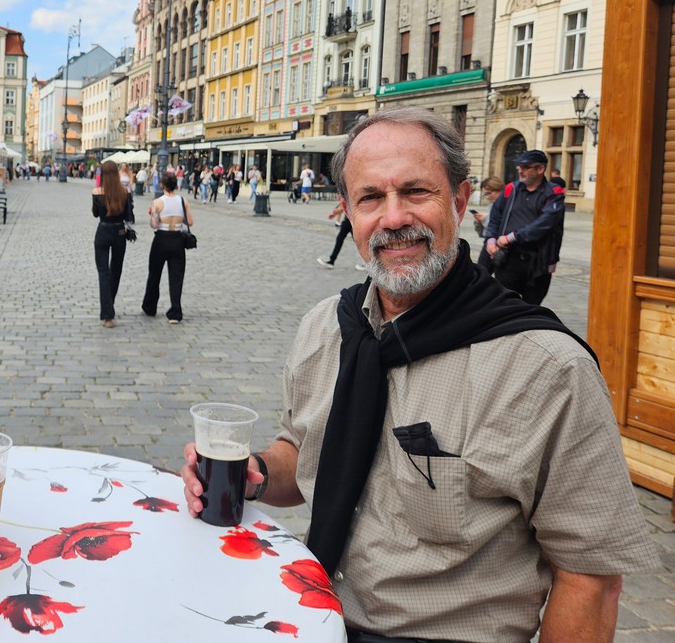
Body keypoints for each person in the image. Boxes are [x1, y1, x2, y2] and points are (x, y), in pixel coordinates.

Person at [180, 108, 658, 641]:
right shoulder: (326, 328)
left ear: (459, 200)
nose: (393, 218)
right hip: (310, 615)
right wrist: (254, 471)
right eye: (370, 198)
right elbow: (303, 448)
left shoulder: (546, 368)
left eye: (415, 192)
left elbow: (590, 579)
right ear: (347, 214)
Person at [484, 150, 565, 305]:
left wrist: (511, 237)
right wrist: (491, 239)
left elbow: (544, 224)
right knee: (504, 303)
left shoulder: (554, 193)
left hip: (538, 261)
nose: (520, 171)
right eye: (519, 167)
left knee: (531, 306)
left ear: (540, 169)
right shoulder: (511, 189)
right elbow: (495, 216)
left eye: (526, 167)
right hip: (508, 258)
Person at [142, 173, 191, 324]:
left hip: (161, 239)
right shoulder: (183, 201)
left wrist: (153, 214)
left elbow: (154, 224)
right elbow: (190, 221)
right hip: (177, 239)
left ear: (162, 185)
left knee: (154, 274)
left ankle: (150, 306)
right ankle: (175, 311)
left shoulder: (157, 202)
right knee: (176, 277)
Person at [91, 160, 135, 328]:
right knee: (115, 271)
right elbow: (129, 217)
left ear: (102, 174)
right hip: (119, 233)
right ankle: (109, 307)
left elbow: (96, 214)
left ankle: (107, 314)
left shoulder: (97, 191)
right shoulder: (125, 192)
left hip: (103, 231)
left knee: (103, 273)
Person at [471, 175, 506, 272]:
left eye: (489, 193)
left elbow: (499, 225)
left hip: (502, 245)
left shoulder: (508, 204)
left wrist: (485, 219)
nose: (488, 197)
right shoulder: (492, 205)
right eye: (485, 195)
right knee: (480, 272)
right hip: (489, 243)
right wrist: (479, 222)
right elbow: (485, 232)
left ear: (499, 189)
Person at [315, 200, 357, 269]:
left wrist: (339, 210)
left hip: (351, 218)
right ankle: (331, 260)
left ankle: (331, 260)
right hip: (349, 218)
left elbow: (349, 203)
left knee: (355, 241)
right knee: (343, 238)